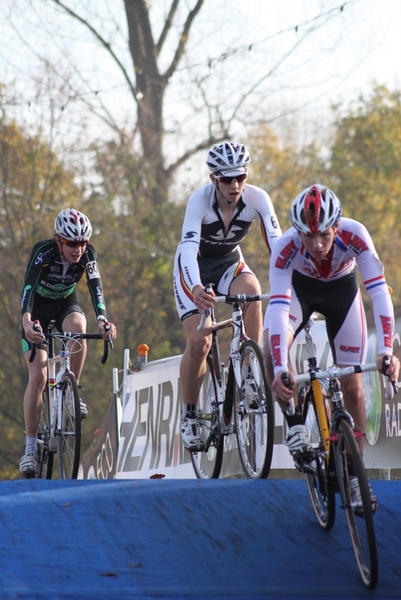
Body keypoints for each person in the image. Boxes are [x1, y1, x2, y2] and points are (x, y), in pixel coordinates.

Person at [263, 183, 399, 508]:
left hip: (343, 292)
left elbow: (379, 293)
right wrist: (281, 368)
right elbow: (279, 308)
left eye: (324, 234)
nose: (317, 243)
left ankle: (354, 476)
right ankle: (295, 423)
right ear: (297, 232)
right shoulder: (285, 248)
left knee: (352, 388)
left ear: (336, 227)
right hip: (300, 292)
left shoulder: (355, 235)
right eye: (308, 236)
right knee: (270, 349)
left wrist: (386, 351)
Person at [173, 141, 282, 451]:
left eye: (241, 177)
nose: (235, 186)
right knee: (200, 341)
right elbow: (189, 251)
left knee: (252, 291)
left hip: (229, 264)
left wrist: (291, 282)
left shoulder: (258, 198)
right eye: (226, 179)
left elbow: (277, 244)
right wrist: (195, 288)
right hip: (193, 269)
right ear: (213, 179)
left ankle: (249, 371)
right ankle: (191, 413)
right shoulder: (199, 202)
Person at [19, 208, 117, 477]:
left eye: (83, 243)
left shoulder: (88, 254)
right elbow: (28, 288)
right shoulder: (44, 252)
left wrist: (103, 320)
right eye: (72, 244)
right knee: (38, 377)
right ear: (58, 240)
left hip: (64, 304)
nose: (78, 249)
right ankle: (29, 448)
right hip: (37, 310)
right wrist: (27, 322)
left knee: (78, 328)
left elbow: (95, 286)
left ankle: (70, 388)